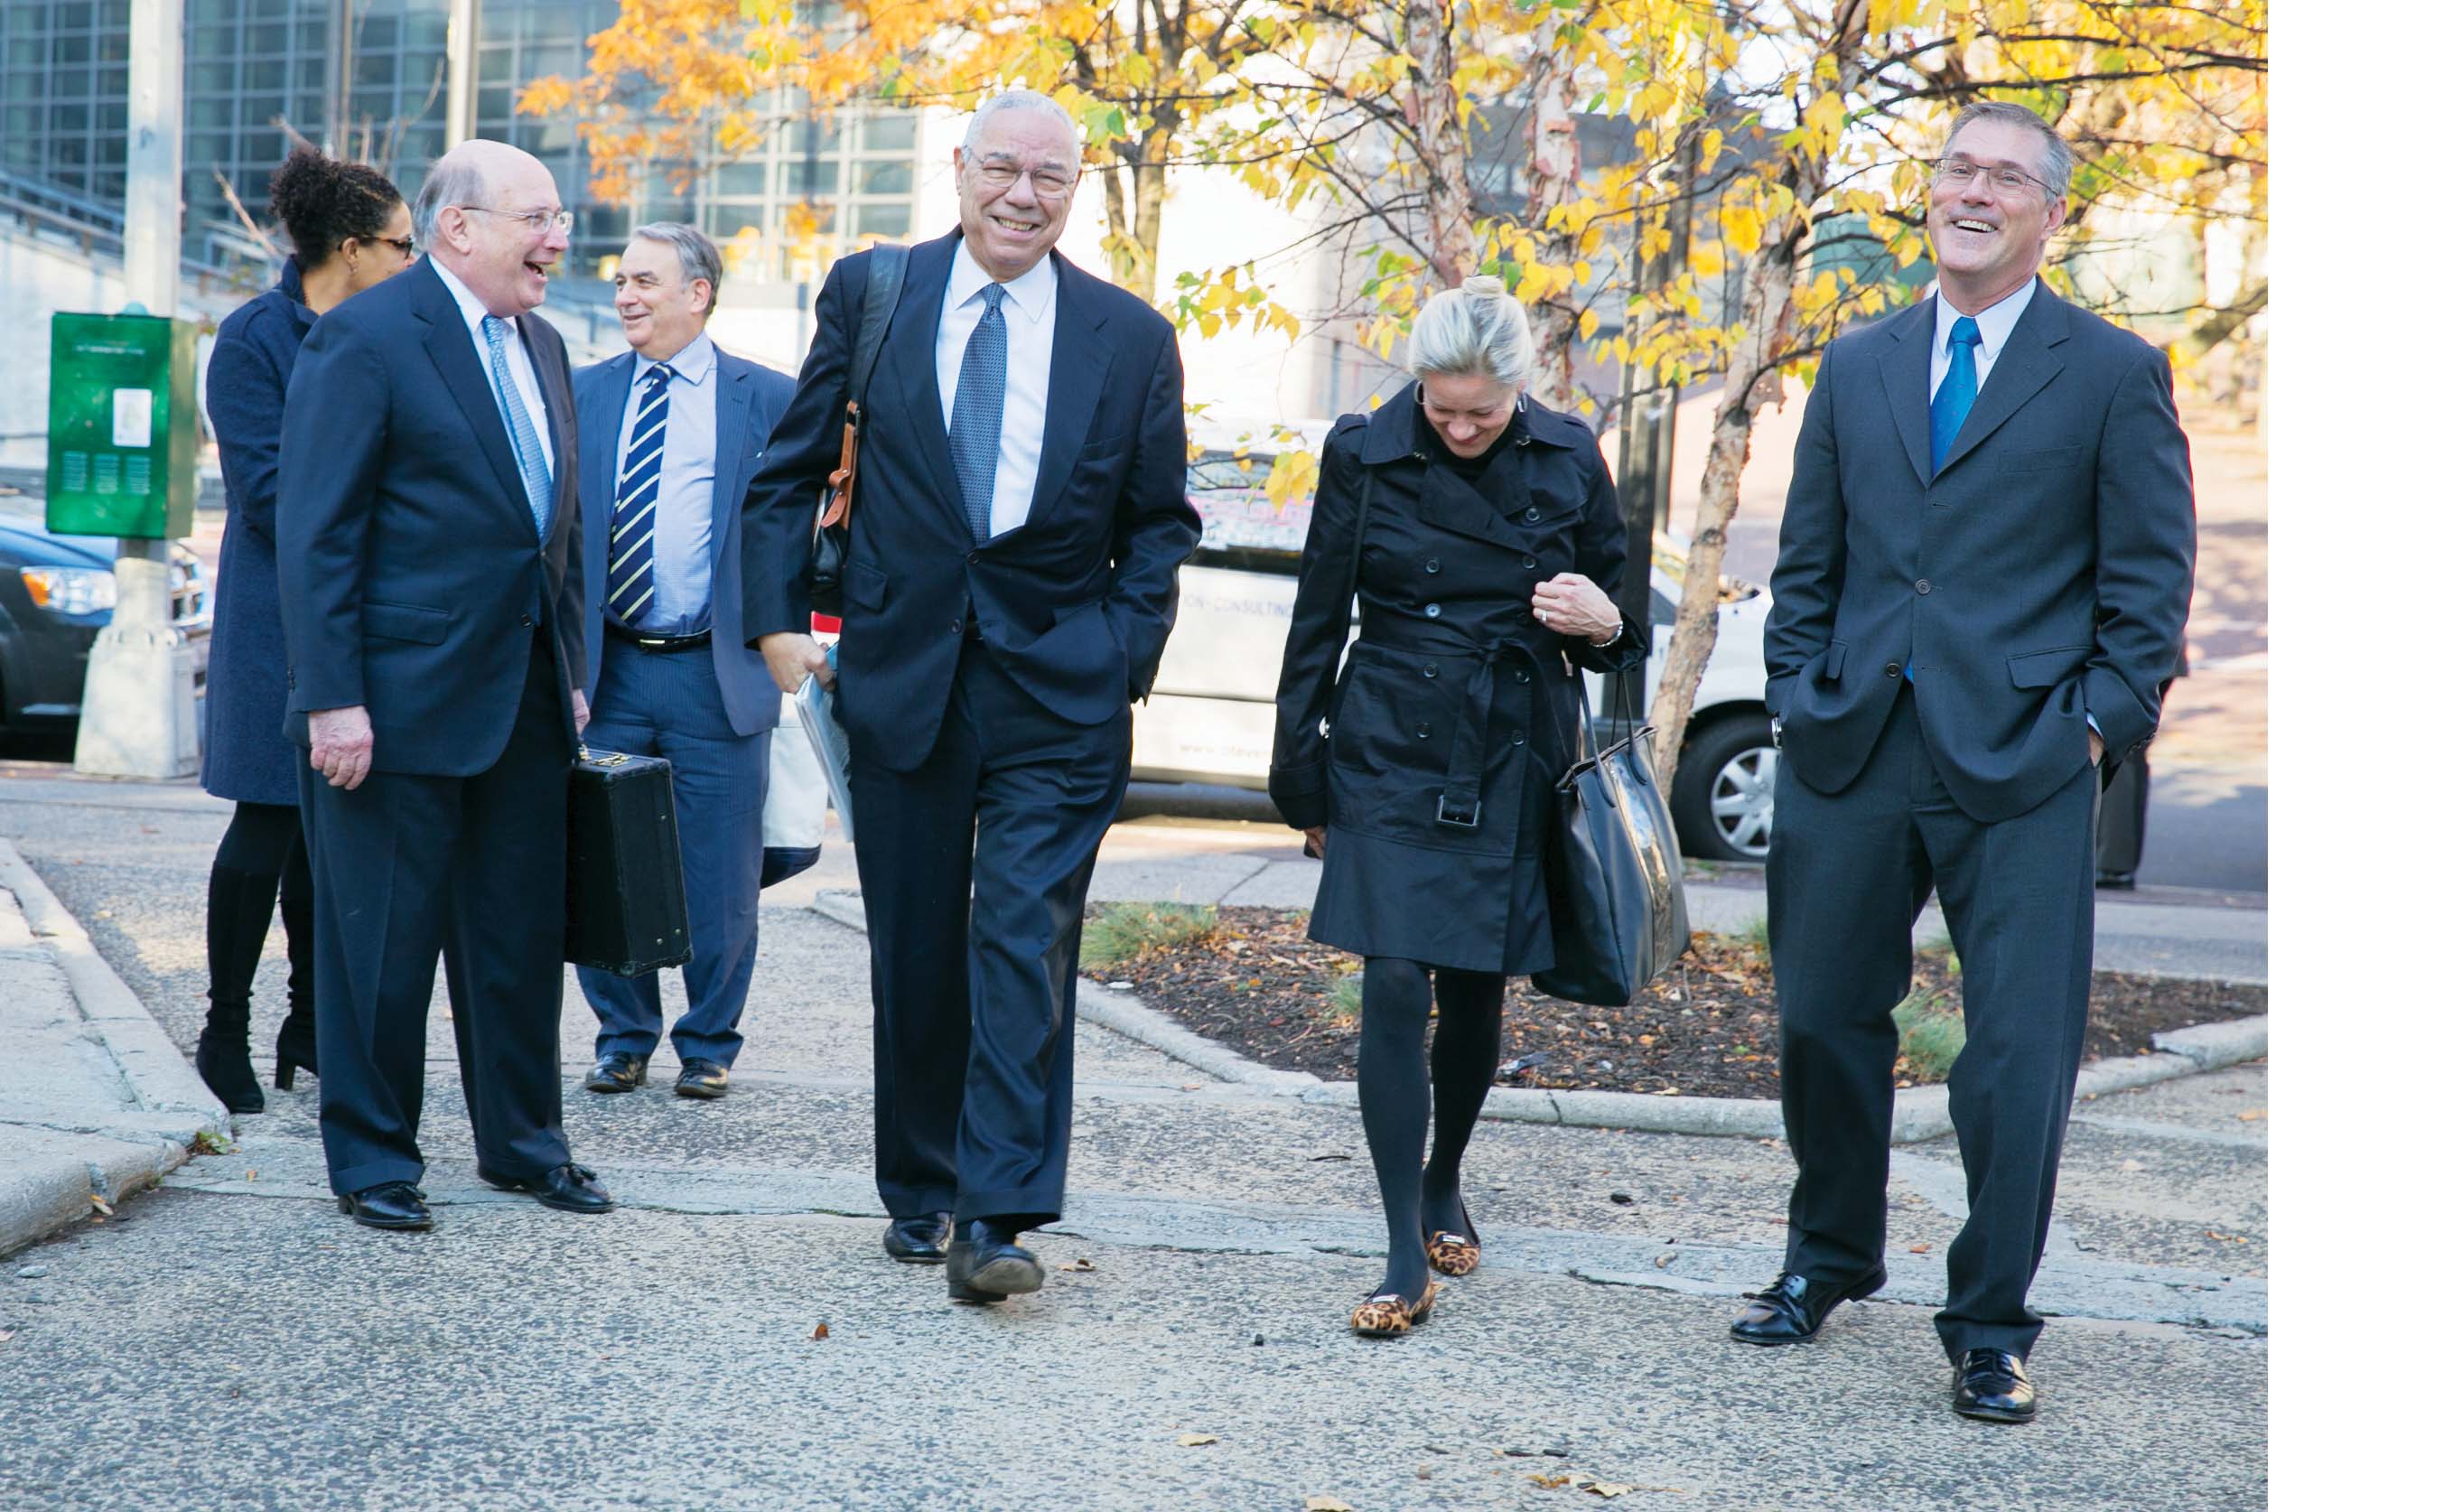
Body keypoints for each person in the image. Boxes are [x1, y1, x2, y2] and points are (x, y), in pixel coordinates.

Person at [1746, 100, 2195, 1422]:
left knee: (2013, 1057)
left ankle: (1989, 1321)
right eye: (1956, 169)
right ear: (1928, 192)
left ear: (2050, 214)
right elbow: (1808, 563)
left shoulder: (2110, 372)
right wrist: (1792, 690)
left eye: (2006, 177)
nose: (1973, 191)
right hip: (1850, 744)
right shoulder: (1858, 362)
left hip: (2024, 761)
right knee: (1821, 1019)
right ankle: (1825, 1257)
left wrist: (2093, 727)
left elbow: (2145, 593)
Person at [740, 90, 1199, 1303]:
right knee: (918, 945)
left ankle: (996, 1215)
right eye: (1002, 167)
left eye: (1049, 177)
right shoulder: (873, 294)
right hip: (903, 679)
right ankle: (922, 1184)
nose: (1022, 195)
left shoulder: (1130, 337)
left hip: (1060, 692)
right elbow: (786, 470)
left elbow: (1159, 525)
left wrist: (1118, 651)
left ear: (1076, 189)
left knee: (1023, 938)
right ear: (958, 169)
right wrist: (777, 626)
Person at [1270, 277, 1642, 1339]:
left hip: (1510, 741)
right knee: (1394, 979)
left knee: (1476, 991)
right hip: (1388, 737)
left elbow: (1623, 633)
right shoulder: (1363, 451)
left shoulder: (1570, 454)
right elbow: (1315, 618)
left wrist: (1599, 618)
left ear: (1519, 390)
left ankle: (1444, 1179)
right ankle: (1400, 1250)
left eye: (1485, 411)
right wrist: (1301, 774)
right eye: (1445, 409)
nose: (1465, 428)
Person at [276, 140, 611, 1233]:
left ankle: (524, 1146)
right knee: (379, 944)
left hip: (522, 697)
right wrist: (333, 698)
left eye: (560, 220)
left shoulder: (547, 345)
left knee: (516, 940)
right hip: (389, 704)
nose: (560, 242)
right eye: (539, 220)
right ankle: (374, 1159)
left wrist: (571, 676)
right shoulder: (366, 338)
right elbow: (317, 533)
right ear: (459, 227)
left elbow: (551, 535)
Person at [195, 146, 414, 1114]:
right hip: (271, 621)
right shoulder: (253, 340)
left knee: (337, 837)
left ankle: (311, 1025)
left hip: (370, 617)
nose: (417, 259)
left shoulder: (399, 333)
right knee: (266, 826)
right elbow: (274, 494)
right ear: (354, 247)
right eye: (404, 244)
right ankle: (223, 1029)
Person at [571, 225, 795, 1101]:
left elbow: (816, 516)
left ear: (698, 294)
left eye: (646, 281)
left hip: (717, 670)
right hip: (612, 667)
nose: (627, 295)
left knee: (719, 872)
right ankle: (622, 1036)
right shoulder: (583, 392)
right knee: (606, 860)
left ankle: (709, 1043)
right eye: (622, 280)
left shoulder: (766, 398)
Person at [2094, 635, 2188, 889]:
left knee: (2118, 747)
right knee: (2129, 751)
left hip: (2132, 648)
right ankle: (2114, 862)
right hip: (2145, 648)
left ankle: (2111, 863)